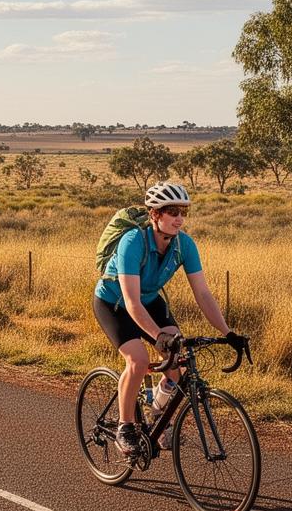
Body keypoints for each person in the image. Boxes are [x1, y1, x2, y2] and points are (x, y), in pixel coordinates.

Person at [92, 181, 247, 454]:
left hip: (150, 301)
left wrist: (228, 332)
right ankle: (125, 427)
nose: (179, 218)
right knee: (138, 361)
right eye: (172, 211)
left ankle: (157, 418)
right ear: (155, 214)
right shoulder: (133, 242)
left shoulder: (183, 245)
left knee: (178, 363)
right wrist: (159, 337)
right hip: (114, 303)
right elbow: (131, 301)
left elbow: (202, 293)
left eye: (183, 212)